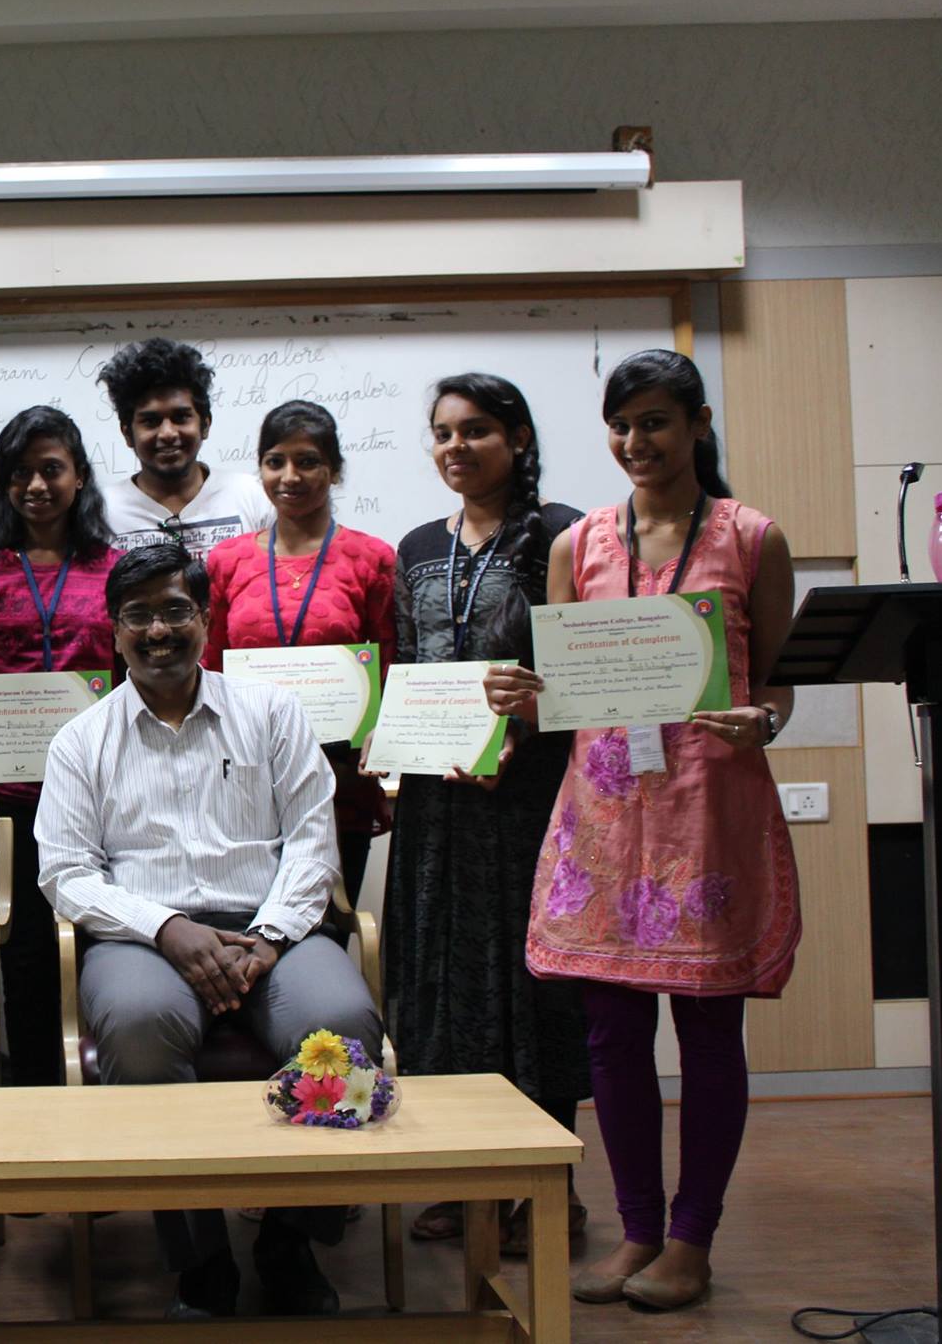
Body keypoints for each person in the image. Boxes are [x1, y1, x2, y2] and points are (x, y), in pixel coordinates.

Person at [485, 349, 799, 1312]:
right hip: (606, 817)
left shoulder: (752, 538)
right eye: (621, 425)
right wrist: (519, 696)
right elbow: (564, 694)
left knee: (707, 1031)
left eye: (656, 421)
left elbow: (780, 684)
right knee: (612, 1036)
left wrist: (764, 717)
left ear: (698, 423)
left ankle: (693, 1238)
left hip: (710, 809)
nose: (635, 442)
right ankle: (637, 1232)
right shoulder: (577, 543)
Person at [37, 542, 383, 1318]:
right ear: (114, 629)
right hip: (141, 940)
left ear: (205, 615)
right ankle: (199, 1258)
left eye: (174, 611)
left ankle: (291, 1237)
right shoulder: (80, 739)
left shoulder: (272, 713)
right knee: (136, 1023)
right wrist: (167, 929)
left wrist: (268, 938)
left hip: (272, 931)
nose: (157, 631)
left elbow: (312, 843)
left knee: (344, 1020)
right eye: (138, 616)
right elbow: (65, 872)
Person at [376, 374, 588, 1249]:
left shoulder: (565, 534)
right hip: (437, 801)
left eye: (475, 431)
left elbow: (584, 673)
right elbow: (406, 661)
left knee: (532, 984)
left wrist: (532, 719)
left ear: (518, 438)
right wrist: (388, 733)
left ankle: (548, 1183)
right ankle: (462, 1178)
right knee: (439, 979)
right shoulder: (418, 545)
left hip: (528, 797)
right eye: (442, 433)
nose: (455, 447)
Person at [0, 405, 121, 1085]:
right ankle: (39, 1089)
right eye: (20, 472)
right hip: (8, 793)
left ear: (79, 476)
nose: (36, 485)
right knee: (23, 948)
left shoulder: (114, 568)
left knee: (102, 937)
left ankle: (106, 1083)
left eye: (51, 469)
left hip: (97, 788)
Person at [201, 399, 396, 898]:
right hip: (247, 777)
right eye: (275, 461)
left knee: (331, 920)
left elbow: (390, 663)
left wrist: (383, 736)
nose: (290, 476)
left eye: (307, 461)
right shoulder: (226, 561)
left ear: (334, 471)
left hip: (339, 779)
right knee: (247, 920)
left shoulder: (371, 558)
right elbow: (211, 667)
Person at [96, 337, 273, 554]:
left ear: (205, 425)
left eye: (181, 417)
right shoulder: (100, 512)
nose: (168, 433)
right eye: (150, 421)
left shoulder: (255, 497)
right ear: (127, 434)